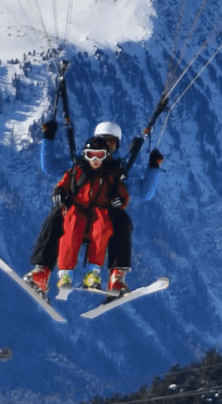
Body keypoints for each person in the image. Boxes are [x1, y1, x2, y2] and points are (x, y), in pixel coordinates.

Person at [23, 120, 162, 297]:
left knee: (122, 221)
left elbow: (144, 193)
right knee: (55, 216)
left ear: (117, 144)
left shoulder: (120, 169)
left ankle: (116, 277)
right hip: (76, 214)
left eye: (111, 142)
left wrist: (153, 168)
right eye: (103, 140)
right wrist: (48, 138)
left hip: (103, 217)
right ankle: (41, 272)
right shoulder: (81, 162)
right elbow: (51, 167)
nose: (105, 146)